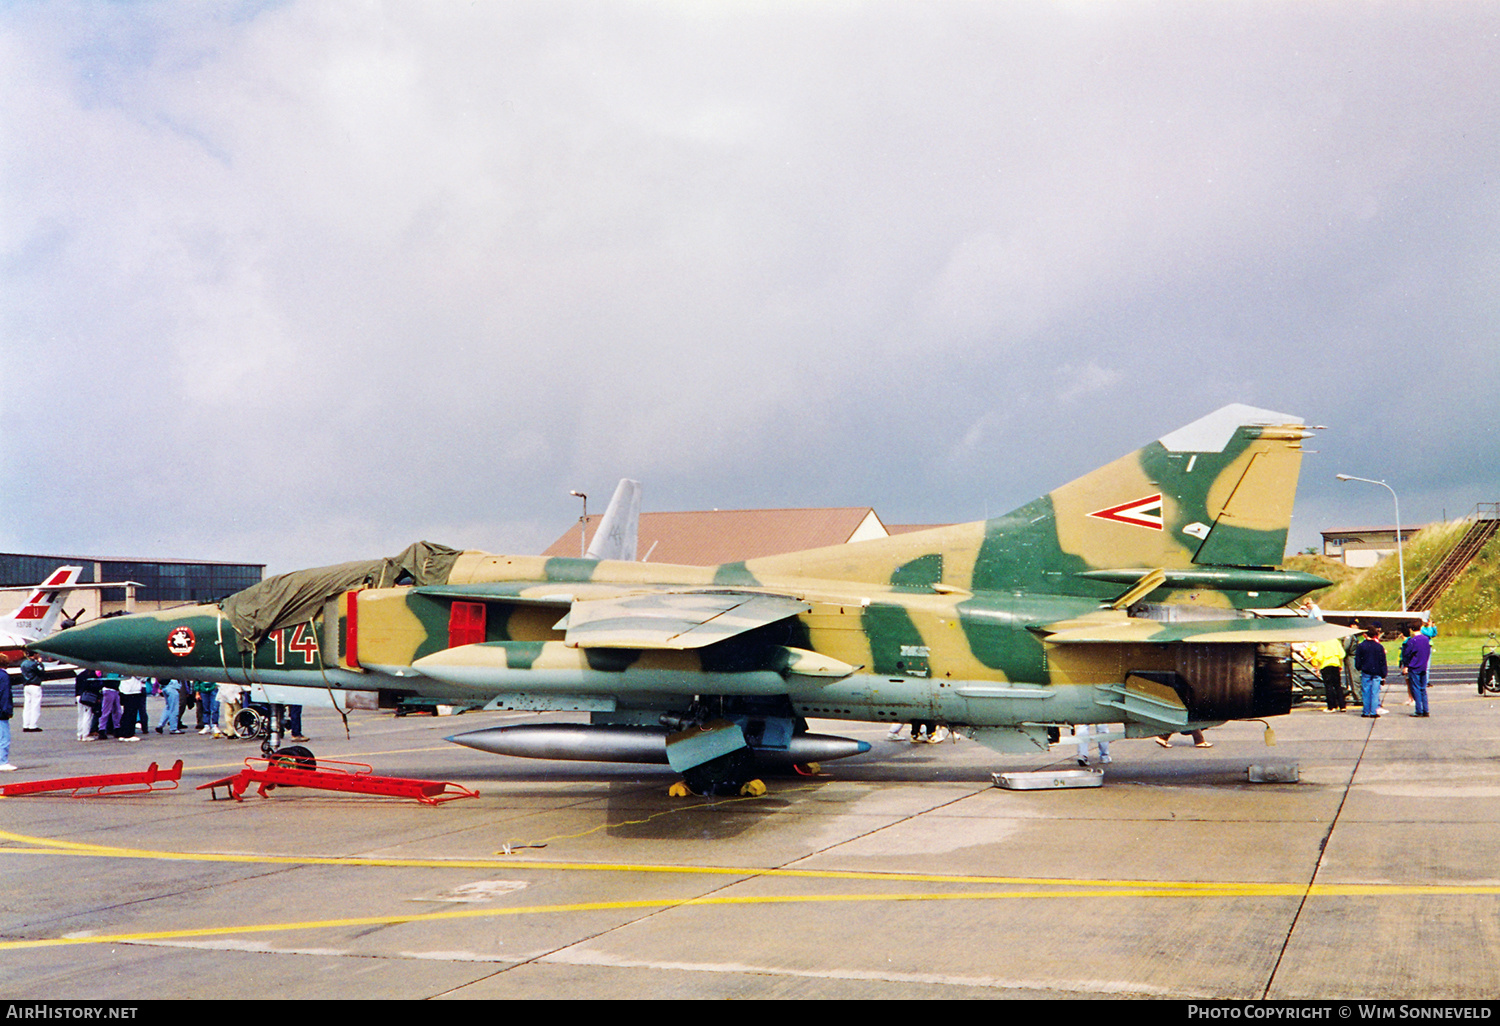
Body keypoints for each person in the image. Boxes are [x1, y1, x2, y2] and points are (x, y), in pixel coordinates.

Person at [1355, 626, 1389, 718]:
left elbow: (1358, 659)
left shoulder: (1361, 646)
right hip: (1377, 671)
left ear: (1365, 634)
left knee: (1366, 691)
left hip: (1366, 670)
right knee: (1375, 692)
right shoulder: (1379, 646)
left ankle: (1366, 711)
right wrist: (1384, 673)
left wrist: (1358, 667)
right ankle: (1374, 711)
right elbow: (1383, 661)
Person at [1400, 623, 1432, 718]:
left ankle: (1418, 710)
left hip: (1414, 667)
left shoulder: (1412, 641)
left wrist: (1406, 666)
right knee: (1423, 689)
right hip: (1423, 666)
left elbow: (1407, 654)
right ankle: (1425, 709)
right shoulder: (1426, 639)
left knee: (1416, 689)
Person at [1308, 636, 1347, 712]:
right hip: (1335, 664)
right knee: (1337, 686)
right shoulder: (1335, 641)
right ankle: (1342, 706)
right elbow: (1342, 654)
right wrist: (1340, 664)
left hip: (1325, 665)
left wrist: (1318, 668)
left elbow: (1319, 657)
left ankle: (1331, 706)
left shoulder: (1321, 642)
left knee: (1328, 686)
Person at [19, 653, 44, 732]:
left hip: (26, 685)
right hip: (35, 685)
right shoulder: (35, 664)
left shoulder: (23, 663)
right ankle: (33, 725)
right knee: (35, 705)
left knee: (27, 706)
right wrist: (40, 663)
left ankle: (26, 724)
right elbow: (41, 672)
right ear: (35, 654)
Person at [75, 668, 102, 740]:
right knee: (87, 716)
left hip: (79, 696)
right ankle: (85, 735)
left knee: (80, 716)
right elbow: (95, 687)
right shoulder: (92, 676)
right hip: (87, 697)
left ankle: (79, 734)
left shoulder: (80, 675)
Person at [117, 675, 145, 742]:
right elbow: (142, 677)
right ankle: (129, 734)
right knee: (132, 713)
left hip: (124, 690)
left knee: (126, 713)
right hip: (133, 691)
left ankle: (123, 733)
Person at [0, 656, 15, 770]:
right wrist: (7, 710)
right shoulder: (4, 676)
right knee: (4, 737)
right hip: (1, 711)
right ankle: (2, 761)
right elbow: (5, 694)